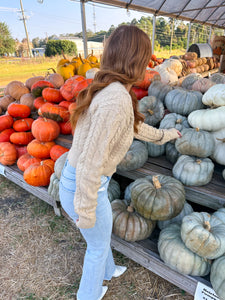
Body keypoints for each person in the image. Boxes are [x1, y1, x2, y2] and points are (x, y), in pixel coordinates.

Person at [59, 25, 181, 300]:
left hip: (79, 182)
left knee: (99, 239)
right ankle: (87, 294)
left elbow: (133, 127)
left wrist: (166, 135)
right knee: (97, 245)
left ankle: (108, 270)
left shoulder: (114, 92)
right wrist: (86, 210)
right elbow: (91, 163)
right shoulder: (115, 99)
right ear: (136, 61)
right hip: (85, 186)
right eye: (146, 57)